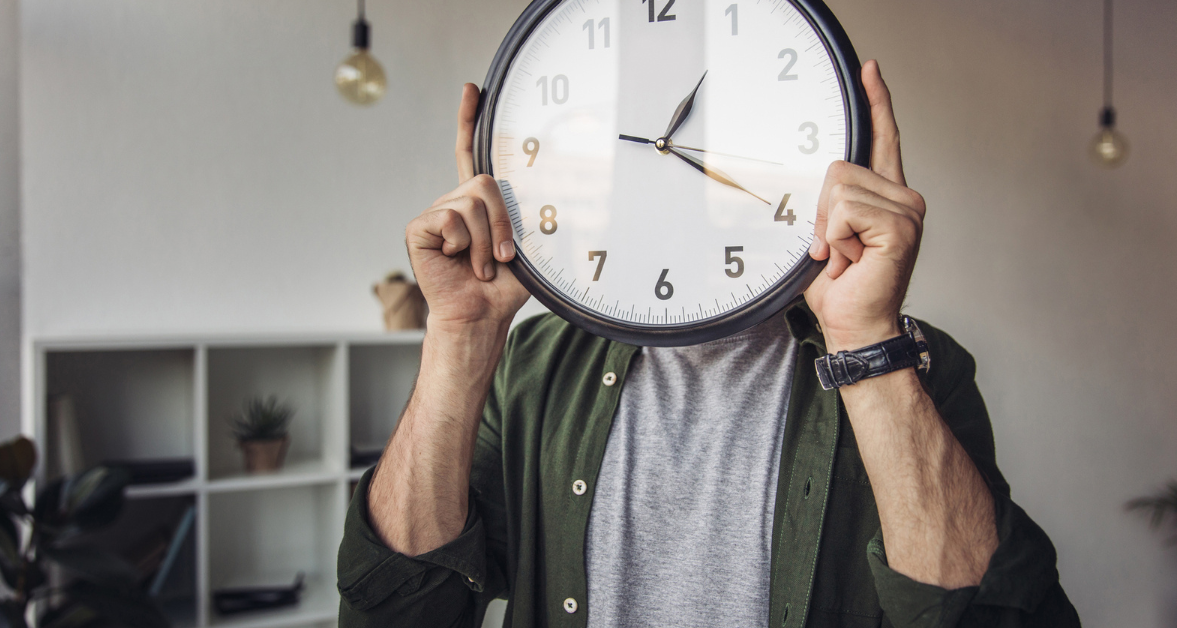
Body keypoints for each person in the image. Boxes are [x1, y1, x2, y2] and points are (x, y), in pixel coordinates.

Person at [336, 60, 1080, 627]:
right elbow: (395, 609)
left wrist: (862, 338)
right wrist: (460, 339)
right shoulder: (528, 369)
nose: (667, 162)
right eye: (644, 145)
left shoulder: (910, 364)